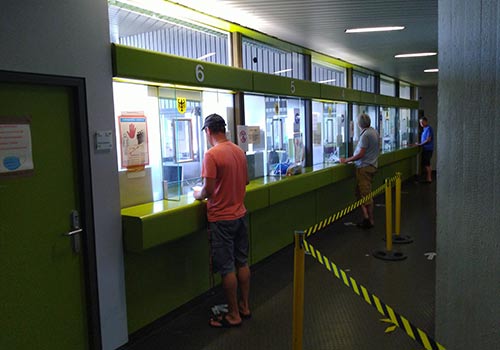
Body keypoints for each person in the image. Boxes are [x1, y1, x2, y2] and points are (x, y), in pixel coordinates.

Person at [193, 114, 251, 328]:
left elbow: (208, 190)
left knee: (227, 268)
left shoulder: (211, 155)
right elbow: (245, 181)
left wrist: (197, 194)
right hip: (240, 215)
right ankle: (245, 307)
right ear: (223, 129)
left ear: (208, 131)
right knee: (242, 262)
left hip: (221, 219)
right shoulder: (239, 151)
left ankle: (233, 315)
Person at [340, 113, 379, 229]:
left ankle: (370, 221)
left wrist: (346, 160)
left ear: (359, 124)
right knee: (359, 193)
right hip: (371, 165)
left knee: (365, 195)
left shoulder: (365, 135)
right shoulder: (374, 132)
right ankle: (366, 217)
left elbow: (361, 154)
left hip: (364, 168)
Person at [415, 116, 434, 183]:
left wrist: (420, 144)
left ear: (426, 121)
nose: (421, 123)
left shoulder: (429, 129)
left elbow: (428, 139)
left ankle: (429, 178)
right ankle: (427, 178)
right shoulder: (424, 129)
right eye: (420, 122)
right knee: (425, 164)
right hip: (425, 149)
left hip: (428, 149)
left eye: (422, 122)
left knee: (427, 164)